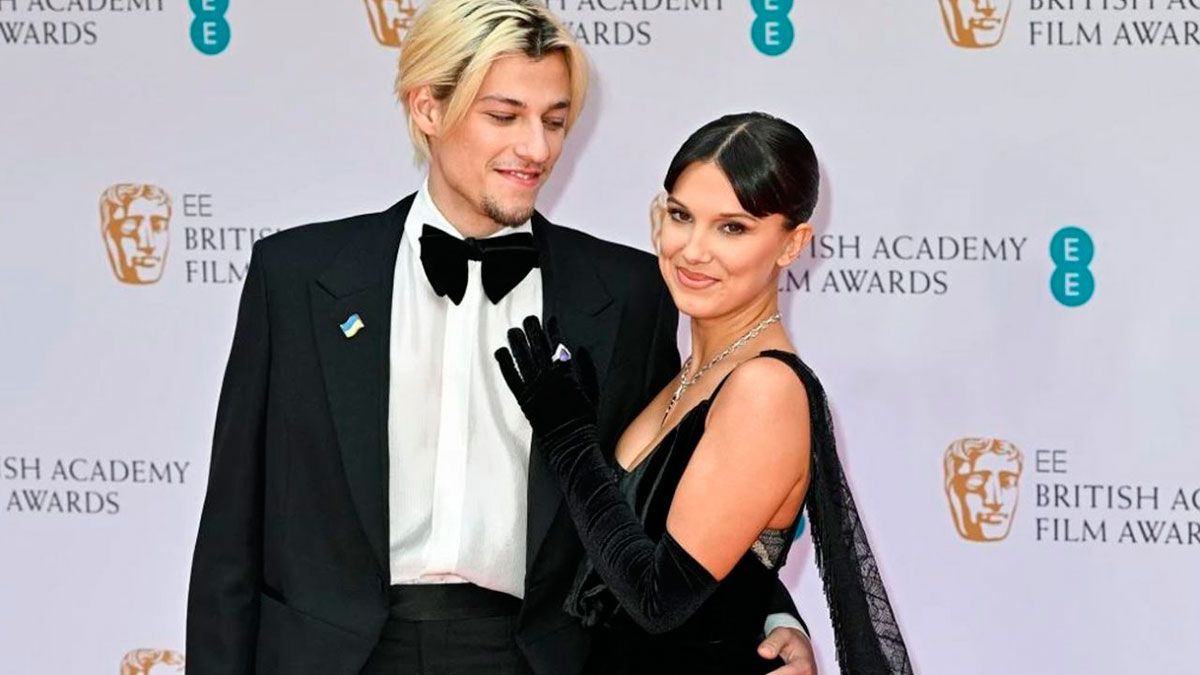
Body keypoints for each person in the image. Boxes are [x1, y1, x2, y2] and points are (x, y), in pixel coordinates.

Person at [185, 1, 815, 673]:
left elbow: (665, 501)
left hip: (538, 658)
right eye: (504, 116)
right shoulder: (297, 278)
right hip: (329, 656)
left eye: (554, 121)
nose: (536, 149)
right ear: (428, 108)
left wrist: (770, 612)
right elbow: (231, 529)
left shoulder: (629, 294)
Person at [495, 112, 914, 674]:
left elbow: (658, 601)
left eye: (732, 228)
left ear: (793, 244)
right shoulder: (690, 375)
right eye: (681, 216)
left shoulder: (765, 390)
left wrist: (569, 438)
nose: (693, 250)